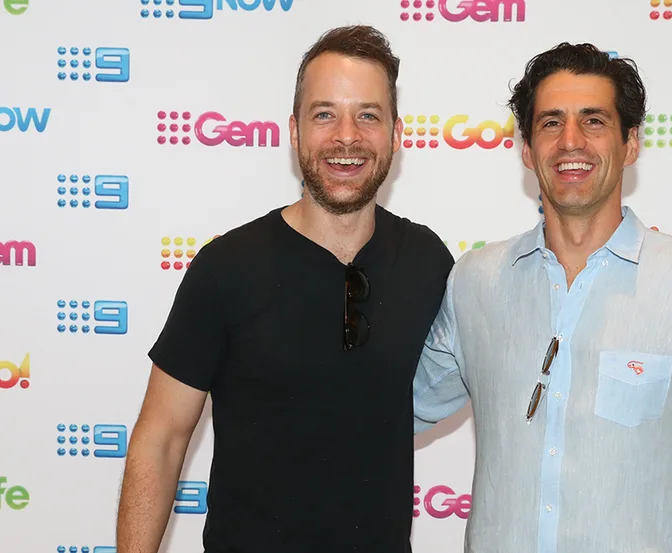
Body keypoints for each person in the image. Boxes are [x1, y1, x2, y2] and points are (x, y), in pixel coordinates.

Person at [413, 43, 672, 553]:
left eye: (593, 121)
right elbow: (396, 408)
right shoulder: (474, 282)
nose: (571, 142)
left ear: (630, 143)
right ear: (526, 148)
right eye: (550, 123)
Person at [115, 25, 454, 553]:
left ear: (396, 133)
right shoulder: (226, 268)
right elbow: (159, 439)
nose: (347, 136)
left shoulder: (429, 262)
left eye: (368, 114)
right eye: (325, 114)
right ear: (294, 131)